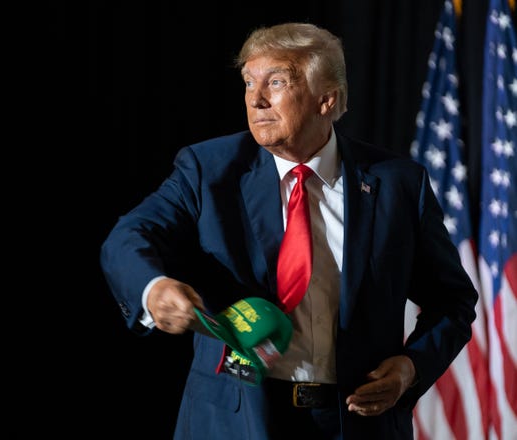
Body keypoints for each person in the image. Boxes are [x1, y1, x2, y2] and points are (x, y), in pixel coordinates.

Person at [100, 22, 478, 439]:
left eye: (276, 81)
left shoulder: (399, 184)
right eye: (248, 82)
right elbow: (129, 236)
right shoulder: (208, 169)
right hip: (236, 419)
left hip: (356, 422)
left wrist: (410, 368)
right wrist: (152, 289)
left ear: (326, 100)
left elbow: (452, 301)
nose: (256, 99)